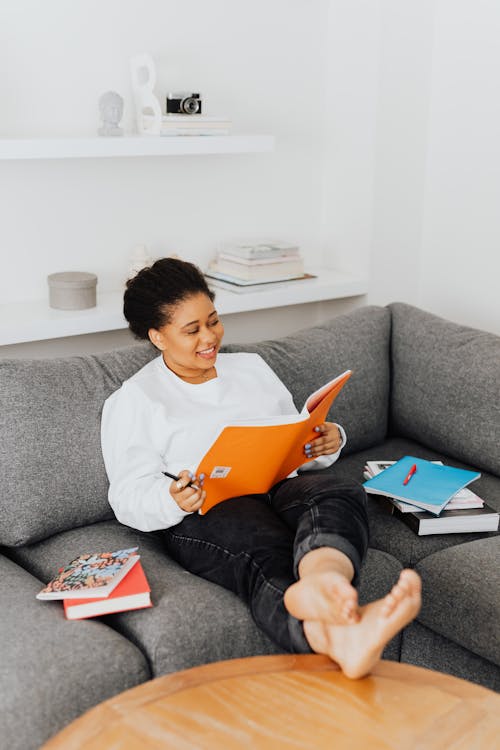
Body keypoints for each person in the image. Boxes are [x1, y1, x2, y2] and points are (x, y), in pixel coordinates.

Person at [101, 257, 421, 679]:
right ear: (157, 336)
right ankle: (336, 636)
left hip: (275, 488)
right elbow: (125, 495)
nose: (210, 337)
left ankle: (324, 581)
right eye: (192, 330)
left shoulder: (250, 368)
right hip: (208, 511)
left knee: (339, 491)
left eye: (213, 321)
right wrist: (171, 496)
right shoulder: (135, 400)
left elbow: (290, 439)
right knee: (262, 545)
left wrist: (323, 442)